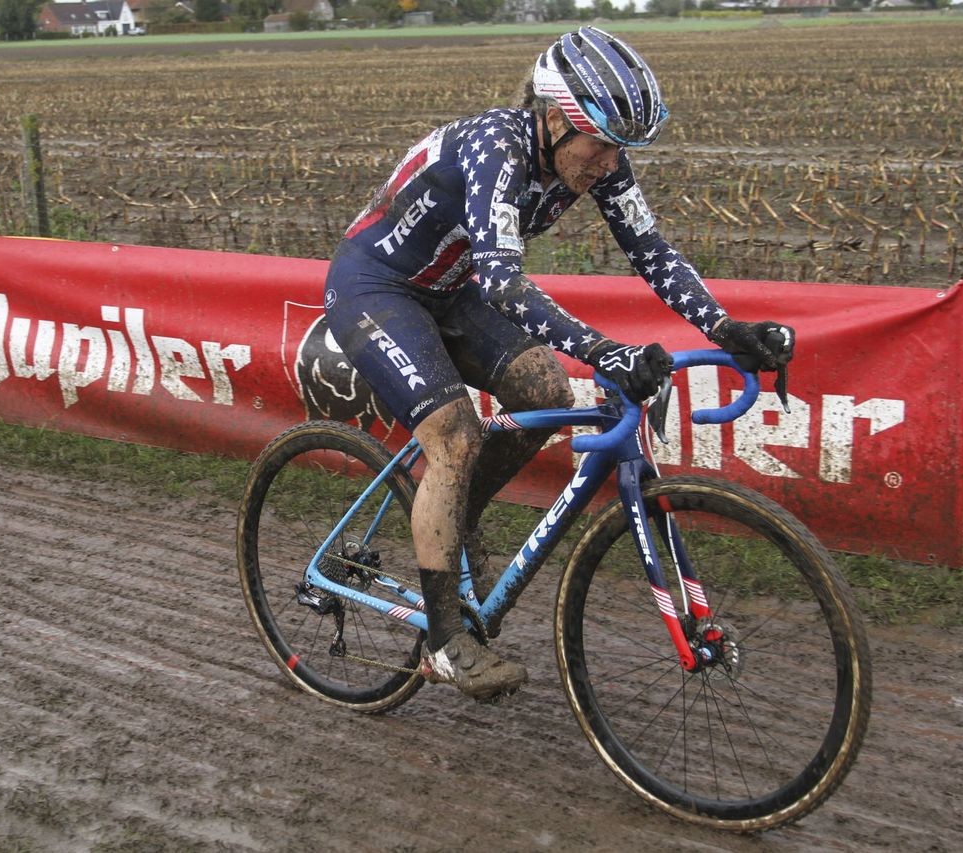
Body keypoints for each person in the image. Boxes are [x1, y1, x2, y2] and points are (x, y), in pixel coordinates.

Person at [323, 27, 794, 702]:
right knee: (454, 434)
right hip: (377, 285)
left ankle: (455, 525)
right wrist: (606, 349)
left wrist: (725, 326)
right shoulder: (497, 148)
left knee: (542, 385)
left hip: (447, 289)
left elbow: (651, 250)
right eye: (598, 145)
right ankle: (444, 644)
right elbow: (504, 283)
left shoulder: (595, 160)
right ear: (552, 118)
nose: (607, 164)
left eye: (619, 150)